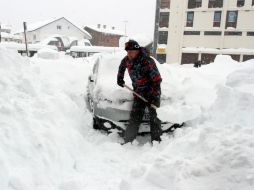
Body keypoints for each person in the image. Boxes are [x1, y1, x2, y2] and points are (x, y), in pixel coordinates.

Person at [117, 40, 162, 144]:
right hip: (138, 93)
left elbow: (157, 80)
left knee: (154, 119)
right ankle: (128, 141)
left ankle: (157, 142)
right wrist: (120, 78)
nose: (129, 53)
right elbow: (122, 67)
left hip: (152, 93)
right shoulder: (127, 60)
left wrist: (155, 97)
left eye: (131, 51)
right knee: (135, 118)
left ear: (137, 50)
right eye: (127, 51)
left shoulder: (147, 61)